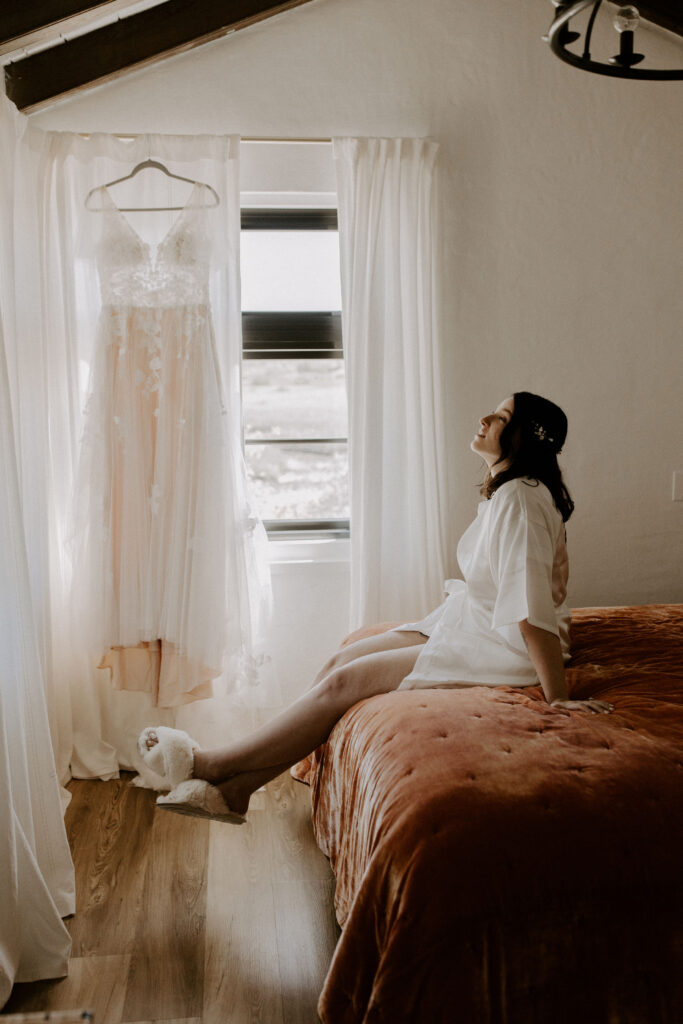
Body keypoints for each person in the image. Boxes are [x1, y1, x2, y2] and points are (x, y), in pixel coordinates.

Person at [139, 391, 613, 824]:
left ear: (523, 439)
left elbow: (531, 609)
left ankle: (214, 764)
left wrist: (557, 696)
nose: (486, 418)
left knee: (346, 682)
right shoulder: (508, 491)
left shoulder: (521, 499)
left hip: (504, 644)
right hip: (471, 618)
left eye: (502, 417)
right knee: (340, 662)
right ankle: (240, 789)